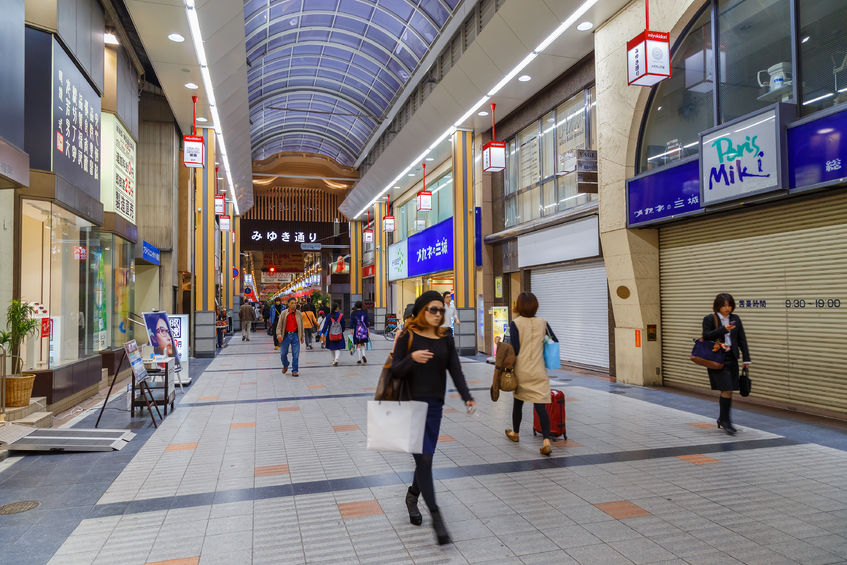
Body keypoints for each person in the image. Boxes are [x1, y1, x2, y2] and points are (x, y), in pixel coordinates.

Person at [391, 291, 476, 545]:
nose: (438, 314)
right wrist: (411, 358)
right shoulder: (407, 336)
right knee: (425, 459)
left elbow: (456, 370)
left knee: (426, 459)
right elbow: (395, 369)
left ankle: (412, 495)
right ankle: (437, 517)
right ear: (420, 310)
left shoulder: (445, 339)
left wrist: (467, 396)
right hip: (410, 406)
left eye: (441, 310)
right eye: (433, 310)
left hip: (434, 408)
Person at [504, 292, 554, 456]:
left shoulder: (515, 323)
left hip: (522, 370)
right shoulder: (543, 322)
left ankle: (516, 433)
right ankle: (546, 441)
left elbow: (515, 349)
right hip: (539, 370)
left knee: (518, 403)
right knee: (540, 407)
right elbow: (554, 341)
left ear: (518, 306)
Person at [703, 293, 750, 435]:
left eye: (729, 305)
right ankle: (726, 421)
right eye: (724, 305)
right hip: (718, 358)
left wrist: (746, 359)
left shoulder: (736, 319)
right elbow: (706, 335)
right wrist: (723, 329)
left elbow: (742, 339)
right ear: (718, 306)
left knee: (728, 390)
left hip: (732, 357)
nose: (727, 308)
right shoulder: (710, 318)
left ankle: (723, 419)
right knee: (727, 389)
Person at [276, 297, 304, 376]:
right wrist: (279, 334)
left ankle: (295, 370)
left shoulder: (299, 313)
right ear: (288, 304)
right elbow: (279, 325)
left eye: (295, 303)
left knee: (296, 354)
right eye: (292, 303)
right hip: (286, 336)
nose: (294, 305)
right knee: (283, 354)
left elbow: (301, 325)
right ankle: (286, 364)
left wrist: (302, 336)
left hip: (295, 335)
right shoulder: (284, 313)